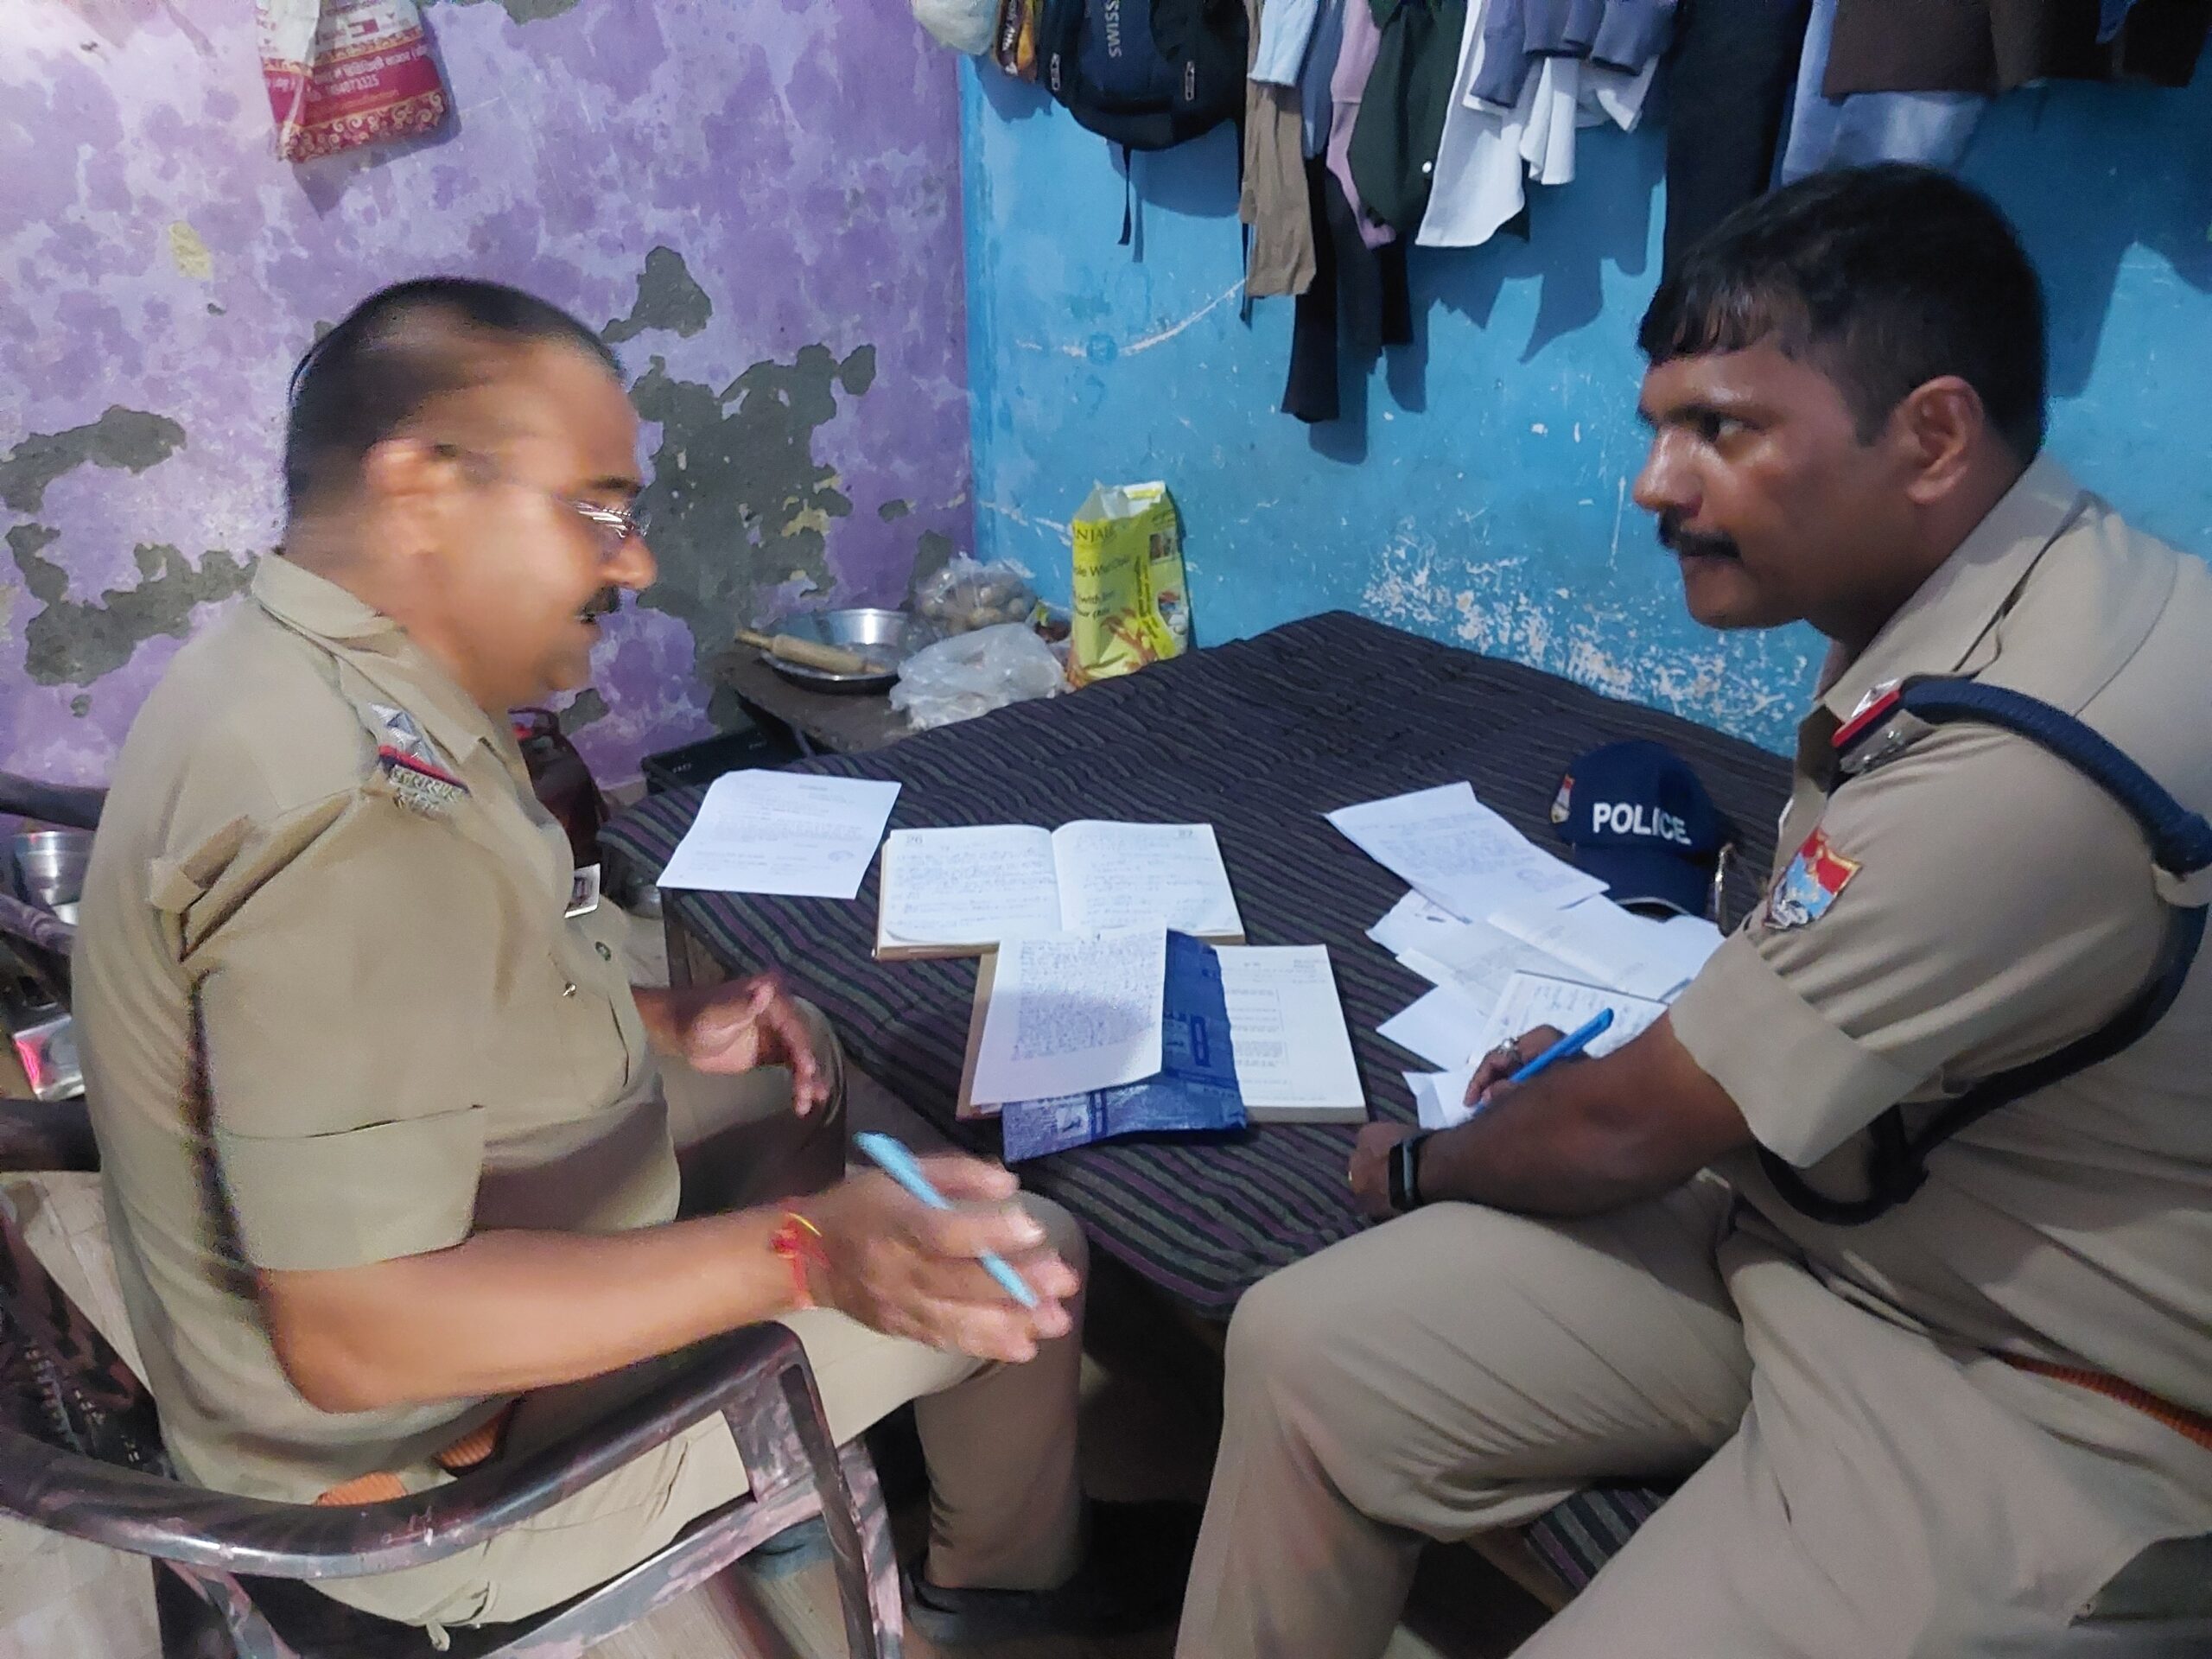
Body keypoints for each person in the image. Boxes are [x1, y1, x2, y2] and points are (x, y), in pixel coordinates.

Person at [1177, 165, 2212, 1657]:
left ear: (1933, 436)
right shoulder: (1994, 588)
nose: (1657, 486)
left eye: (1722, 430)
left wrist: (1420, 1165)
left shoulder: (2024, 770)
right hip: (1820, 1220)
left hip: (2037, 1381)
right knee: (1305, 1348)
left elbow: (1625, 1130)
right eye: (1659, 426)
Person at [73, 278, 1180, 1643]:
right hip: (424, 1481)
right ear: (422, 489)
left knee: (806, 1085)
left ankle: (860, 1394)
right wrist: (803, 1253)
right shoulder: (356, 811)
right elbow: (356, 1335)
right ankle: (1006, 1591)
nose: (636, 563)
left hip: (394, 1335)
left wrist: (656, 1015)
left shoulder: (296, 669)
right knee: (1017, 1256)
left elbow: (428, 975)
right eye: (595, 510)